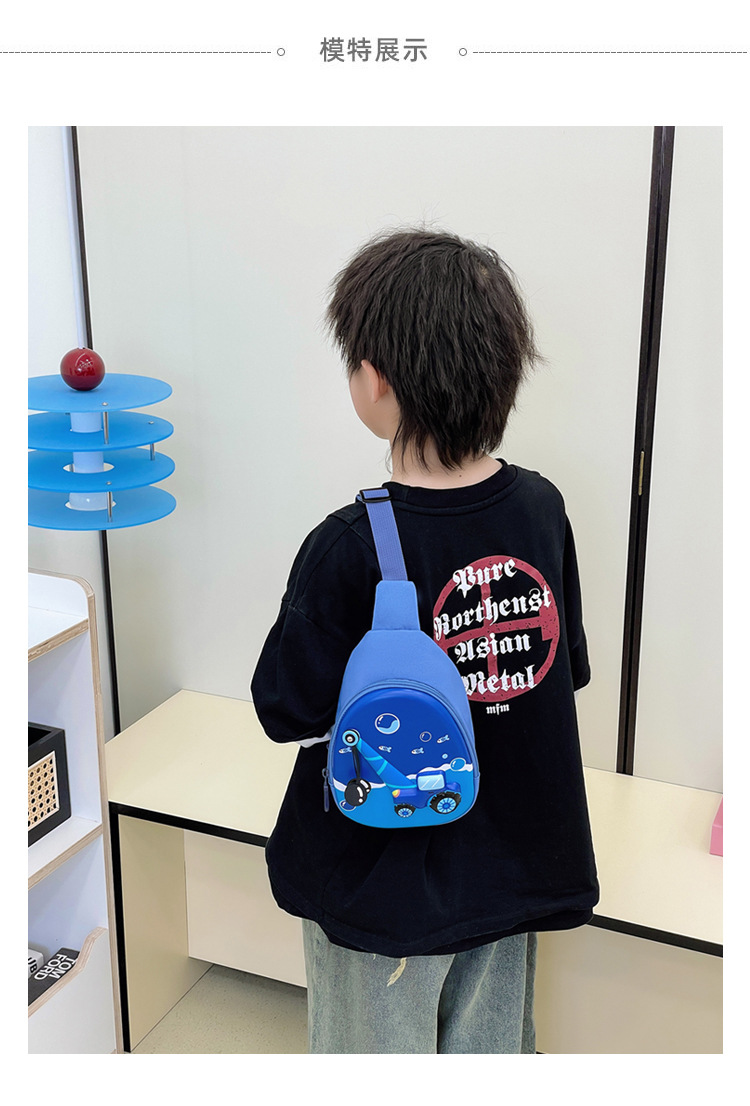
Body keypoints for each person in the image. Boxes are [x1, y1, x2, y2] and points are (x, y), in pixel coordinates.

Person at [250, 227, 599, 1054]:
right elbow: (562, 671)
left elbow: (286, 711)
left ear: (374, 380)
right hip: (512, 867)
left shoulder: (348, 545)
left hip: (381, 881)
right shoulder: (541, 510)